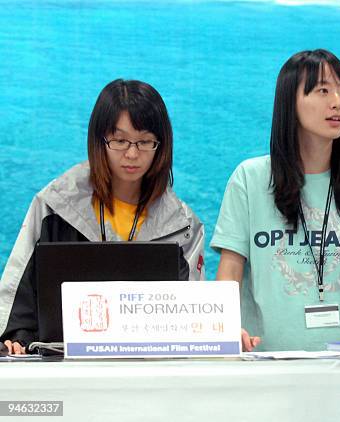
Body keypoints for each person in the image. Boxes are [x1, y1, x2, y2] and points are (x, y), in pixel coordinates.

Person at [0, 79, 205, 354]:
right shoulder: (54, 205)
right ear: (100, 140)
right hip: (62, 363)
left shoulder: (183, 226)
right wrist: (17, 337)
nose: (132, 154)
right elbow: (17, 296)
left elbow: (193, 319)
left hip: (149, 368)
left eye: (145, 141)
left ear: (162, 145)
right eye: (120, 140)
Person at [211, 49, 340, 352]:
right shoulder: (250, 178)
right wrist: (227, 326)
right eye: (323, 91)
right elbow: (231, 268)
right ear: (291, 101)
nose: (338, 103)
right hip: (266, 360)